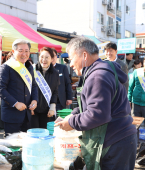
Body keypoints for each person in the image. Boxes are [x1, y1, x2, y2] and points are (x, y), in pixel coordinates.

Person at [55, 37, 136, 169]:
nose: (70, 64)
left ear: (84, 55)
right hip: (119, 139)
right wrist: (73, 114)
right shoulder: (98, 71)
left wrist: (71, 122)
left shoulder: (98, 76)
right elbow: (90, 104)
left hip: (115, 142)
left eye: (71, 58)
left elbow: (97, 114)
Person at [0, 39, 38, 136]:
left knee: (25, 145)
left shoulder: (29, 67)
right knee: (12, 146)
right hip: (12, 115)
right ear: (14, 51)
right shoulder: (6, 67)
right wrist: (15, 103)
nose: (24, 54)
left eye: (27, 51)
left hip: (27, 114)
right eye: (21, 51)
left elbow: (34, 85)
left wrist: (35, 100)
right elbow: (0, 88)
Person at [31, 47, 59, 129]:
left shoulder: (55, 73)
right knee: (34, 135)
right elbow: (28, 90)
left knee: (45, 135)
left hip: (47, 111)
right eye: (42, 57)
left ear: (52, 59)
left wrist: (52, 108)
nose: (44, 60)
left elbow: (55, 92)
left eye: (47, 57)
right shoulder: (32, 70)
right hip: (33, 110)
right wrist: (30, 107)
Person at [128, 59, 145, 140]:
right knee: (135, 125)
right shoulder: (137, 72)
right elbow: (130, 87)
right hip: (136, 103)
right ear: (143, 63)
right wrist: (129, 100)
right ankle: (135, 143)